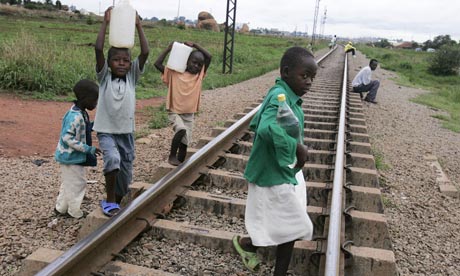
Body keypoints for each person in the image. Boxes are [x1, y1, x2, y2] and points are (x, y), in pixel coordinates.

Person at [232, 46, 316, 275]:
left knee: (287, 223)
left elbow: (257, 123)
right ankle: (253, 249)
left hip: (285, 170)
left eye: (312, 77)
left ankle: (250, 245)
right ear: (286, 72)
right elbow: (266, 127)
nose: (309, 82)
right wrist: (296, 146)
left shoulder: (289, 96)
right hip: (273, 173)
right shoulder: (278, 97)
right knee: (292, 224)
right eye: (305, 75)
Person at [94, 7, 149, 217]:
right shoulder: (104, 78)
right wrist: (105, 23)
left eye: (126, 60)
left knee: (125, 178)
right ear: (109, 63)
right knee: (113, 160)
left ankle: (116, 199)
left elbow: (144, 53)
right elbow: (98, 49)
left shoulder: (132, 77)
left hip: (126, 132)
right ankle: (109, 201)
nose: (122, 63)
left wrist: (138, 24)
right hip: (106, 130)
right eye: (117, 60)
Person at [154, 41, 212, 166]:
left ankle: (179, 163)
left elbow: (209, 57)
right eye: (194, 62)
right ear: (186, 61)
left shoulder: (199, 76)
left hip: (189, 114)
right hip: (174, 111)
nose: (196, 66)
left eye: (199, 65)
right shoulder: (174, 73)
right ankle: (172, 156)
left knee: (185, 143)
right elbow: (157, 64)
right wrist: (168, 49)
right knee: (181, 130)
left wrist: (196, 45)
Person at [54, 79, 102, 219]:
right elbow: (67, 138)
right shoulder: (75, 117)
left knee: (69, 182)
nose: (95, 103)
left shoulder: (81, 113)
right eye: (94, 100)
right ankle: (74, 212)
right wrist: (88, 149)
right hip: (71, 157)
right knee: (78, 183)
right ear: (84, 98)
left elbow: (84, 129)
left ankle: (61, 208)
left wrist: (96, 125)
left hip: (72, 156)